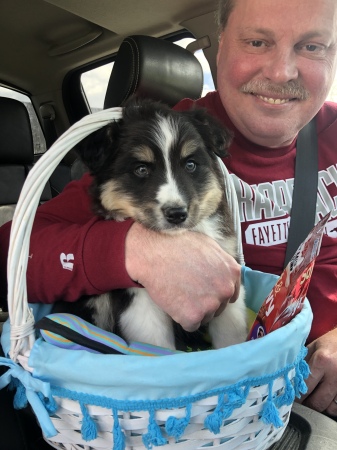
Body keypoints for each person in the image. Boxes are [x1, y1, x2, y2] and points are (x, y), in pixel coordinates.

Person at [1, 0, 337, 417]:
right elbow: (11, 255)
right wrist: (131, 251)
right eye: (257, 41)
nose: (281, 71)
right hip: (201, 395)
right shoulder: (152, 140)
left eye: (313, 46)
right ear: (219, 52)